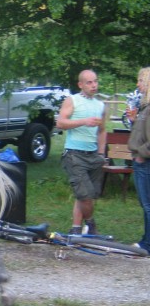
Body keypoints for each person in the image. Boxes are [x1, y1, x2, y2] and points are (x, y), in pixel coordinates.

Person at [56, 69, 107, 235]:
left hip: (93, 155)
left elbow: (102, 130)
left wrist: (101, 154)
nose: (94, 85)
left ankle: (76, 229)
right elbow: (61, 123)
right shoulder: (72, 101)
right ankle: (91, 224)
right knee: (85, 195)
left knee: (86, 195)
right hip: (74, 155)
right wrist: (84, 121)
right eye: (89, 82)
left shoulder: (100, 105)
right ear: (80, 85)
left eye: (95, 81)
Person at [127, 67, 150, 252]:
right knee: (145, 204)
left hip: (145, 162)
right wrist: (134, 121)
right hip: (141, 161)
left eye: (140, 81)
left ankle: (148, 245)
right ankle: (145, 239)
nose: (138, 84)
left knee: (148, 204)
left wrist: (142, 154)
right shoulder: (145, 107)